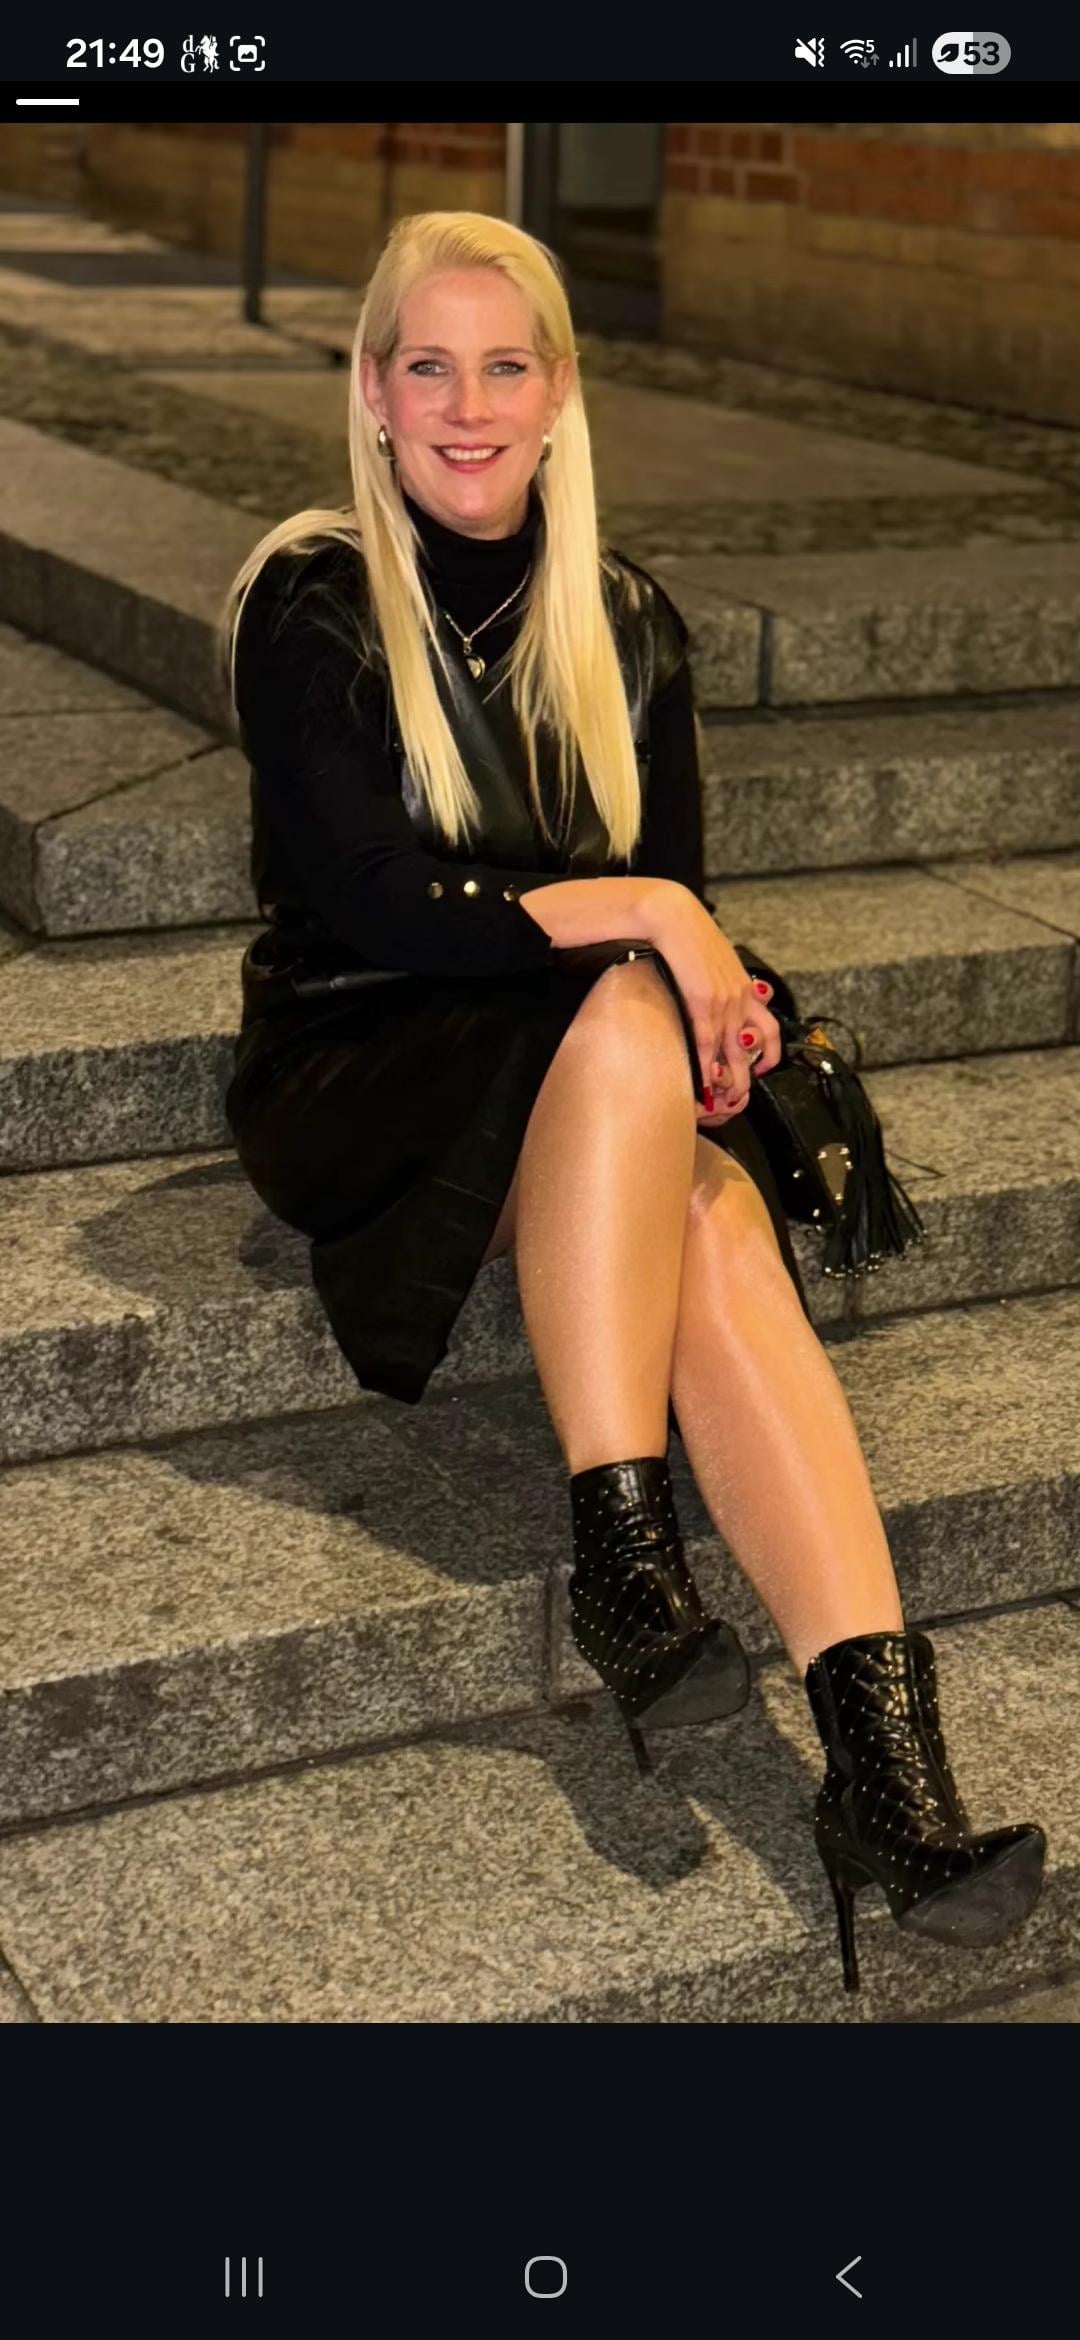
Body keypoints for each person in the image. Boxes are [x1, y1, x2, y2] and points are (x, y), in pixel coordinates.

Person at [220, 210, 1044, 1993]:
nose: (468, 405)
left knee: (707, 1204)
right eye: (428, 367)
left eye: (504, 366)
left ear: (560, 393)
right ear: (372, 393)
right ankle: (623, 1541)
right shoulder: (310, 597)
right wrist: (655, 923)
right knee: (619, 1008)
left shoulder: (627, 620)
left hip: (578, 1066)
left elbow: (671, 917)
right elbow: (375, 901)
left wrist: (725, 1007)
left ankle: (885, 1781)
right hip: (361, 1058)